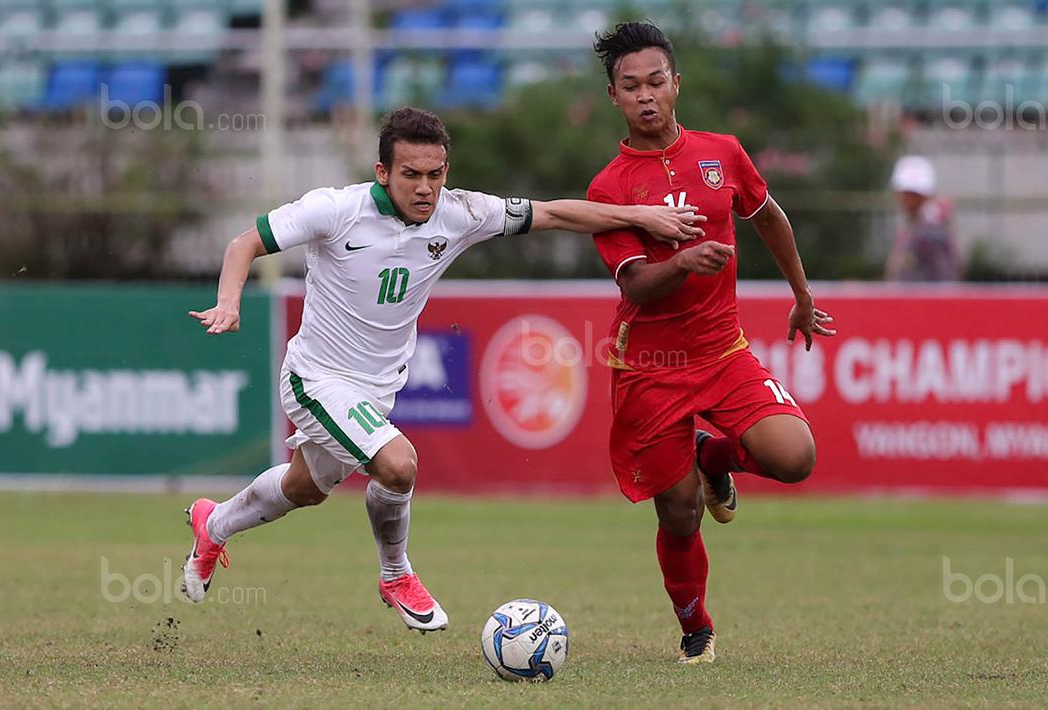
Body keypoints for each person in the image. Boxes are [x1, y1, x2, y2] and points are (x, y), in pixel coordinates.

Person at [181, 106, 705, 632]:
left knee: (305, 489)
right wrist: (229, 303)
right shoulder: (335, 209)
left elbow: (555, 214)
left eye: (435, 174)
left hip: (376, 389)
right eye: (411, 174)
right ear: (383, 172)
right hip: (315, 379)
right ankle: (395, 574)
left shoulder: (461, 213)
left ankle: (214, 523)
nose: (425, 188)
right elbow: (244, 243)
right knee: (398, 465)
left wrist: (640, 217)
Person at [587, 22, 837, 664]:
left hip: (721, 351)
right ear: (613, 95)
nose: (646, 96)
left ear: (677, 83)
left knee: (796, 457)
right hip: (649, 367)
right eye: (630, 86)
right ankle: (695, 626)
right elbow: (636, 285)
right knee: (678, 513)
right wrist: (682, 262)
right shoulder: (609, 188)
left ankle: (713, 457)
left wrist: (802, 296)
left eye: (656, 82)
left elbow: (768, 216)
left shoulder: (721, 152)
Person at [885, 155, 960, 282]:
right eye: (905, 193)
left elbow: (944, 277)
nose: (906, 199)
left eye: (913, 194)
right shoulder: (914, 226)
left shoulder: (932, 231)